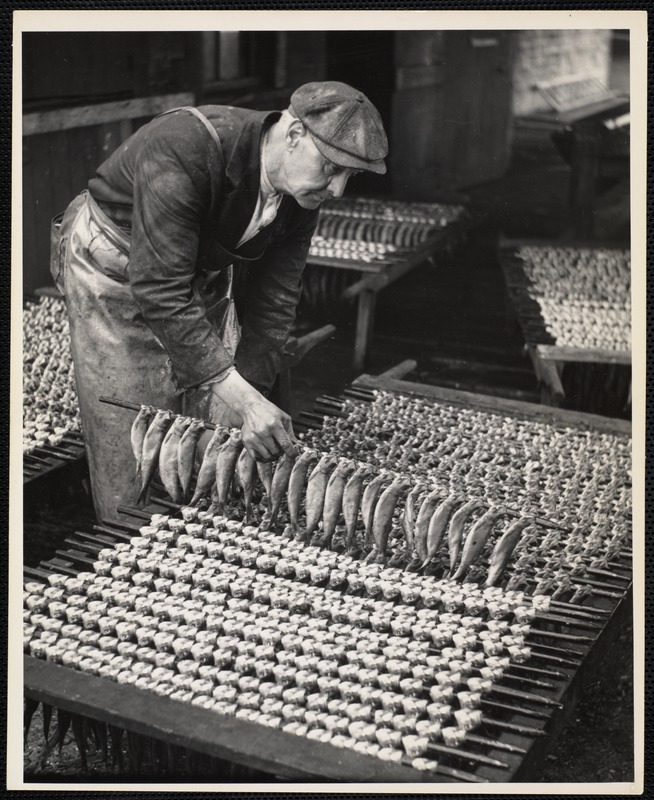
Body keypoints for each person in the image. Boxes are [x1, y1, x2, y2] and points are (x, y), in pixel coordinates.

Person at [51, 81, 388, 520]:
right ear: (293, 135)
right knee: (132, 431)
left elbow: (275, 300)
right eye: (331, 168)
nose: (338, 189)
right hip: (113, 265)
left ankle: (184, 523)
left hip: (191, 269)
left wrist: (249, 403)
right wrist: (246, 403)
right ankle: (127, 533)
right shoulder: (185, 145)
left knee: (207, 417)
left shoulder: (301, 194)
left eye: (350, 175)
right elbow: (159, 289)